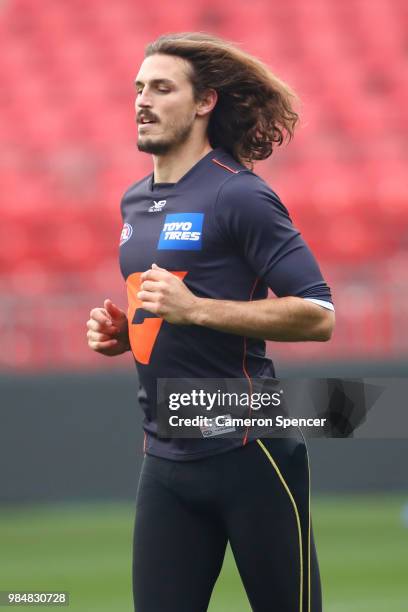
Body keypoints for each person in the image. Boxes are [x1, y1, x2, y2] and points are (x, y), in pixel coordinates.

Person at [87, 32, 335, 612]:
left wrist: (193, 308)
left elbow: (319, 314)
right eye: (139, 88)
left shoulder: (239, 195)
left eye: (162, 87)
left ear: (205, 103)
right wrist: (131, 333)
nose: (143, 100)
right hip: (166, 461)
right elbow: (169, 307)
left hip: (251, 451)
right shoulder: (133, 201)